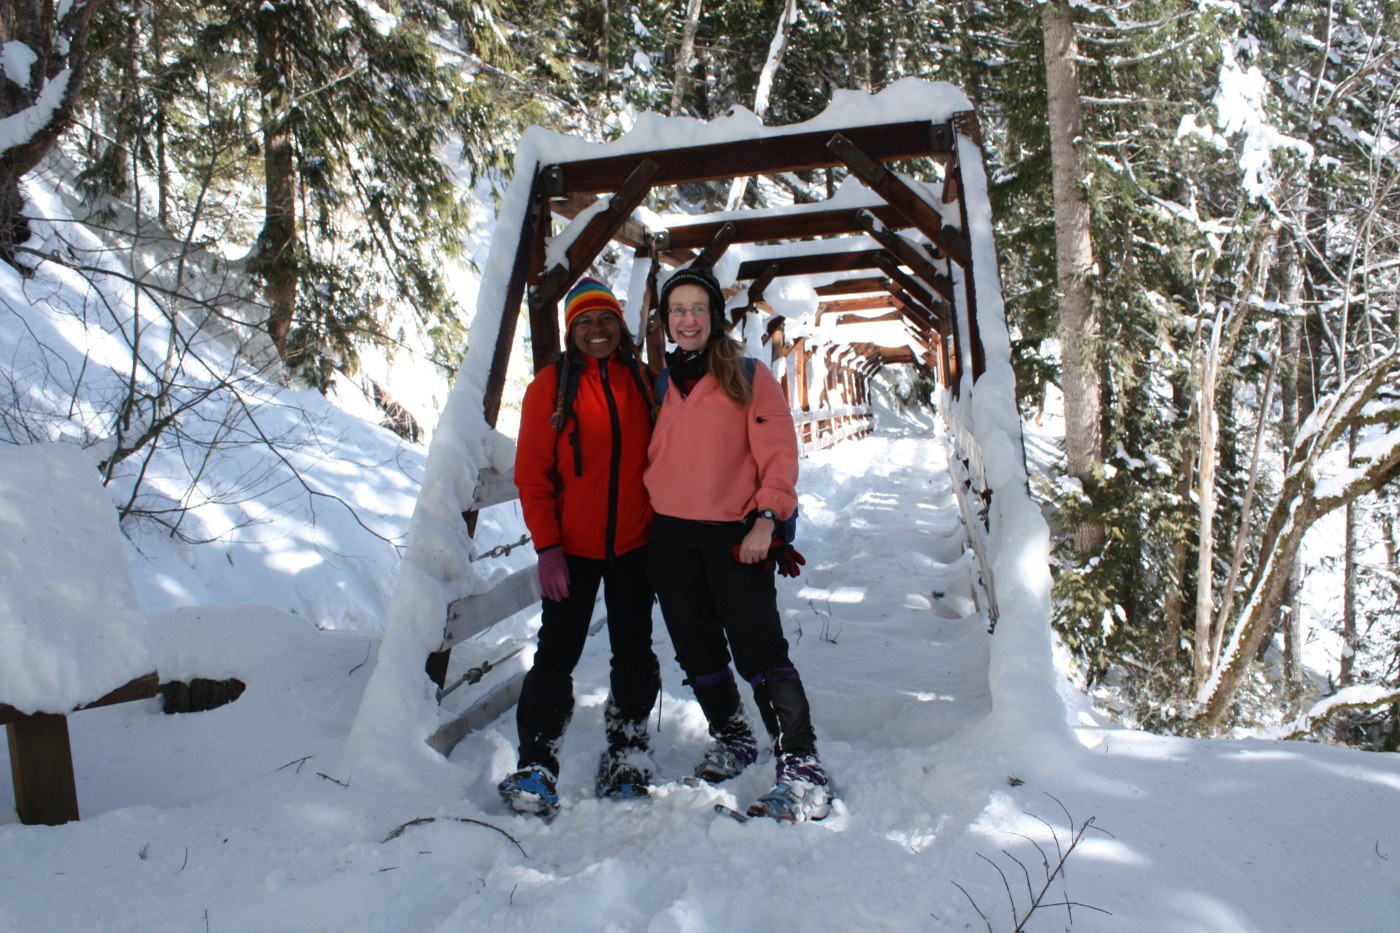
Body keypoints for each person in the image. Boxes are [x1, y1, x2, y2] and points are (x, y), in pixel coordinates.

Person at [644, 265, 833, 822]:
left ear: (715, 316)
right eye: (677, 311)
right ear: (666, 321)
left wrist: (767, 519)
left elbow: (779, 455)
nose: (687, 320)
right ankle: (733, 736)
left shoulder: (749, 376)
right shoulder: (661, 384)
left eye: (697, 309)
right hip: (671, 537)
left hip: (736, 534)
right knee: (695, 648)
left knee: (759, 650)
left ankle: (801, 764)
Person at [498, 277, 661, 819]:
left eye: (606, 318)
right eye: (585, 321)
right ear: (571, 332)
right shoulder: (551, 387)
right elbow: (532, 474)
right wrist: (548, 547)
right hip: (572, 550)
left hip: (636, 546)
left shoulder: (644, 381)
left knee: (634, 649)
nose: (597, 329)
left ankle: (628, 749)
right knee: (556, 653)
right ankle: (536, 762)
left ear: (620, 324)